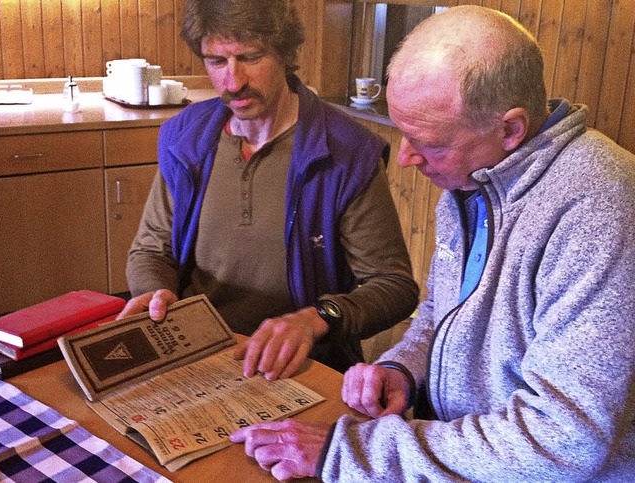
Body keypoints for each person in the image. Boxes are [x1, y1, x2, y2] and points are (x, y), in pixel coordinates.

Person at [230, 5, 635, 481]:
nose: (404, 158)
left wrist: (349, 453)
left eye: (431, 143)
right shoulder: (472, 183)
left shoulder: (601, 206)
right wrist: (404, 369)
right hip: (461, 455)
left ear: (510, 129)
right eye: (401, 132)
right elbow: (440, 314)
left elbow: (565, 438)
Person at [119, 0, 419, 379]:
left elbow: (394, 287)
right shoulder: (187, 138)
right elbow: (151, 249)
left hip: (301, 365)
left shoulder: (345, 152)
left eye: (250, 57)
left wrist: (317, 319)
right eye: (216, 61)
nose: (233, 81)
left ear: (285, 54)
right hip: (198, 356)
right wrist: (154, 291)